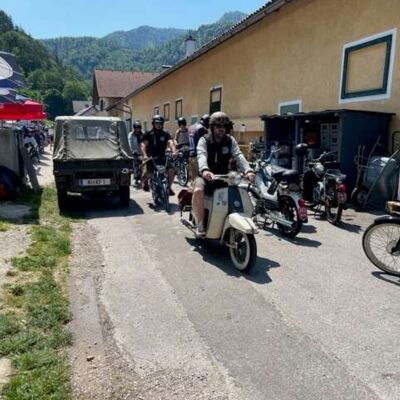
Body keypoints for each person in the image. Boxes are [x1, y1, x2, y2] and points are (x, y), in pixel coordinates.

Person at [192, 111, 255, 236]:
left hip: (224, 176)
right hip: (205, 175)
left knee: (243, 190)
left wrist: (248, 170)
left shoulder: (230, 140)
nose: (221, 129)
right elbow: (201, 155)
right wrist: (205, 170)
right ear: (212, 127)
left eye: (224, 126)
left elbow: (238, 155)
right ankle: (200, 223)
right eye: (218, 126)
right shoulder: (204, 140)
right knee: (198, 190)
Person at [141, 115, 177, 195]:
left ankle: (169, 187)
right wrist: (144, 155)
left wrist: (174, 152)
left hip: (162, 157)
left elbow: (170, 142)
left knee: (171, 170)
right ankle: (146, 182)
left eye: (160, 123)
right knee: (148, 174)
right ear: (153, 123)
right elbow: (143, 144)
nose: (158, 125)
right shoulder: (148, 134)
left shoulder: (165, 133)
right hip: (151, 158)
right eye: (156, 123)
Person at [188, 114, 210, 182]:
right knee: (200, 180)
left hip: (191, 156)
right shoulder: (202, 129)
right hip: (198, 157)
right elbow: (206, 143)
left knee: (193, 180)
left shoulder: (191, 127)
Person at [128, 121, 144, 185]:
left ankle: (140, 177)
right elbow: (129, 142)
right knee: (135, 166)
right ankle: (136, 178)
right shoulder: (131, 134)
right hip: (134, 152)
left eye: (139, 127)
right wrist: (131, 150)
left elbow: (145, 142)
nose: (138, 129)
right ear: (134, 128)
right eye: (137, 127)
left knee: (141, 166)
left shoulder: (143, 134)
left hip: (141, 152)